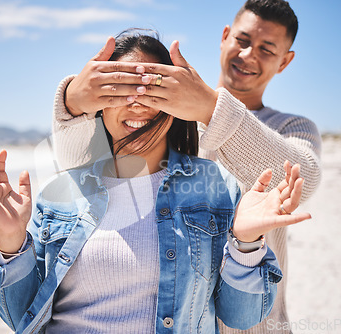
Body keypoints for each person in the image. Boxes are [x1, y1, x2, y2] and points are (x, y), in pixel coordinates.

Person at [0, 32, 311, 334]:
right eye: (118, 90)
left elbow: (242, 317)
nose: (136, 101)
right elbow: (22, 319)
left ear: (176, 104)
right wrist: (10, 241)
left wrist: (247, 244)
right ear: (99, 105)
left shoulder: (215, 187)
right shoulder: (60, 194)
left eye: (152, 90)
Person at [50, 1, 321, 333]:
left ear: (285, 61)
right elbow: (81, 169)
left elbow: (300, 182)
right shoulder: (172, 112)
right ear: (225, 37)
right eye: (243, 40)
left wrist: (211, 108)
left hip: (257, 323)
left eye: (267, 48)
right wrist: (72, 103)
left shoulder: (291, 126)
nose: (249, 54)